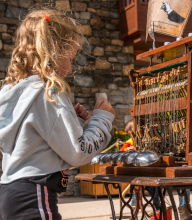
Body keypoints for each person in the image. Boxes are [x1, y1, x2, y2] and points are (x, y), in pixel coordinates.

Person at [0, 8, 115, 220]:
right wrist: (102, 118)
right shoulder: (48, 92)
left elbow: (38, 142)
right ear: (53, 51)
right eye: (69, 58)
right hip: (34, 194)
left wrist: (74, 121)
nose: (71, 68)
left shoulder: (15, 91)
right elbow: (78, 153)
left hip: (11, 192)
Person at [124, 120, 161, 211]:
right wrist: (130, 149)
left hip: (148, 174)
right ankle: (134, 214)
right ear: (131, 132)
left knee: (155, 195)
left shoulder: (145, 139)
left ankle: (159, 210)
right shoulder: (129, 143)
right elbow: (122, 152)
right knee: (135, 195)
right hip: (136, 176)